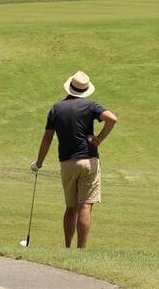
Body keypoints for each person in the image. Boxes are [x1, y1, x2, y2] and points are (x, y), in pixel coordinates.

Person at [32, 71, 117, 249]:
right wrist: (99, 139)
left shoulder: (56, 108)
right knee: (85, 206)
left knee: (71, 207)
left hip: (67, 162)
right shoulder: (90, 105)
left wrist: (39, 162)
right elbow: (111, 118)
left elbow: (47, 139)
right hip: (89, 160)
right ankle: (81, 250)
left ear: (70, 87)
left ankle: (67, 248)